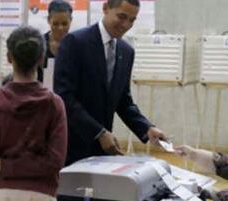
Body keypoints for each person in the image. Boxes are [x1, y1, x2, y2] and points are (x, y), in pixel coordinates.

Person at [54, 0, 166, 165]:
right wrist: (98, 132)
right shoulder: (75, 42)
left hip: (103, 147)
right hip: (72, 143)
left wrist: (147, 128)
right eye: (122, 17)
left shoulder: (127, 51)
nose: (126, 24)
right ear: (105, 8)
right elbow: (64, 97)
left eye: (132, 20)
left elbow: (123, 101)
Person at [0, 26, 67, 201]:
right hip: (41, 196)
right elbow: (55, 163)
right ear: (42, 58)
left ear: (9, 58)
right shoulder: (55, 104)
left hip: (2, 196)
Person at [38, 0, 73, 82]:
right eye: (55, 24)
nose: (60, 28)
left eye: (64, 24)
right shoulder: (39, 45)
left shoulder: (76, 45)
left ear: (70, 20)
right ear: (48, 20)